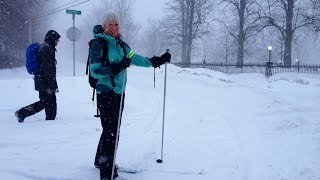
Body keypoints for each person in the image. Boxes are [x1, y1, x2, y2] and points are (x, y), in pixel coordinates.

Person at [90, 11, 170, 180]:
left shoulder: (122, 45)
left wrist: (157, 61)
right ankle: (107, 172)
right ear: (104, 27)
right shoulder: (99, 44)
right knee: (112, 132)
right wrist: (117, 67)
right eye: (110, 24)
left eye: (116, 24)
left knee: (111, 130)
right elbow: (95, 71)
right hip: (105, 92)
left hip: (118, 92)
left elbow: (136, 58)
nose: (113, 27)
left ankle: (100, 160)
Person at [15, 30, 61, 122]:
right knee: (49, 102)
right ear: (52, 39)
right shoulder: (47, 48)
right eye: (57, 39)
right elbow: (48, 68)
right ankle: (49, 121)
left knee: (45, 102)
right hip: (44, 81)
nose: (58, 42)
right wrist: (51, 84)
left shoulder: (47, 47)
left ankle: (22, 113)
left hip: (42, 80)